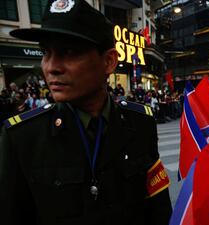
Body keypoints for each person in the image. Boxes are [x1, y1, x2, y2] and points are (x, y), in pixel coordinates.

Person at [0, 1, 172, 224]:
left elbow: (158, 209)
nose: (51, 66)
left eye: (69, 52)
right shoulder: (22, 137)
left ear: (109, 61)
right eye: (46, 52)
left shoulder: (140, 123)